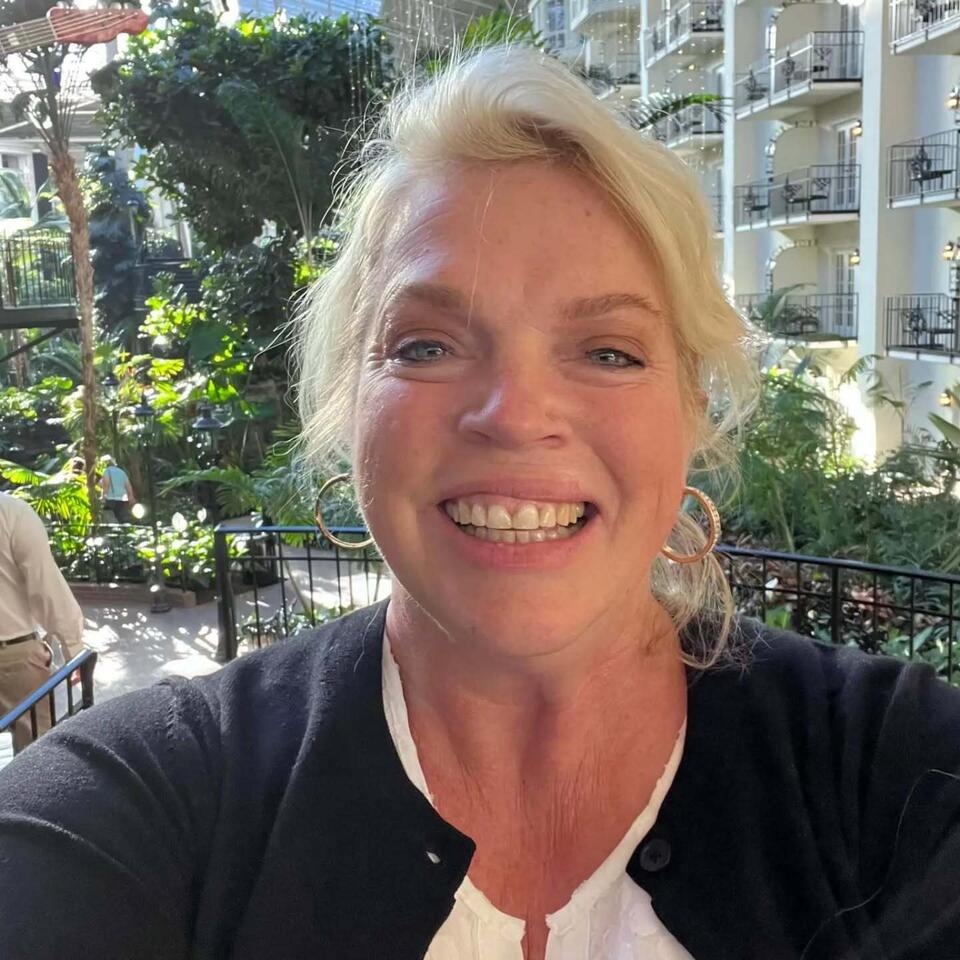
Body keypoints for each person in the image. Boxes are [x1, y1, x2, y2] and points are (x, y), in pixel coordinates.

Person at [1, 46, 959, 960]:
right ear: (347, 403)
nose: (515, 416)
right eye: (426, 346)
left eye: (610, 351)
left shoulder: (899, 775)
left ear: (692, 410)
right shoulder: (147, 808)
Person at [0, 492, 85, 753]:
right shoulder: (12, 512)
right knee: (35, 754)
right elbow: (45, 587)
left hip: (14, 653)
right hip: (14, 657)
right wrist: (74, 647)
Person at [100, 454, 136, 523]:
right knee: (121, 518)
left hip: (111, 499)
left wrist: (103, 497)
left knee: (110, 519)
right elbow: (128, 486)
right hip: (122, 499)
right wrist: (131, 497)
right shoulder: (121, 472)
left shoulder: (107, 471)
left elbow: (106, 485)